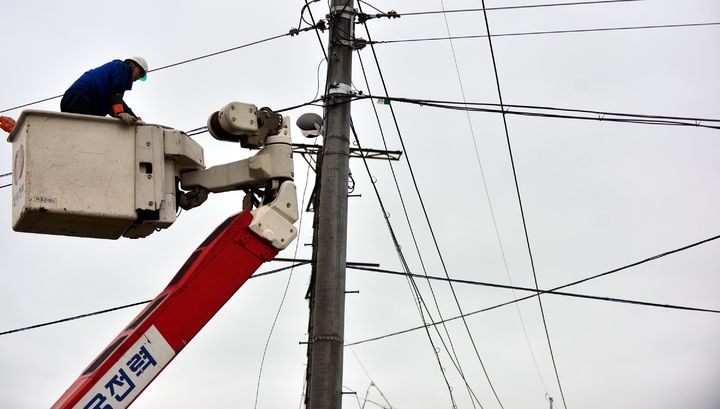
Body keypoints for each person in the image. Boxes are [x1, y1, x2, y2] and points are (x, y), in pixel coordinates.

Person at [60, 57, 148, 125]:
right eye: (140, 73)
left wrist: (135, 118)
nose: (138, 77)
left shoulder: (112, 86)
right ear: (132, 65)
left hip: (76, 99)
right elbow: (116, 94)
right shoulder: (122, 67)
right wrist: (120, 112)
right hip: (80, 98)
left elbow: (116, 99)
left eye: (141, 76)